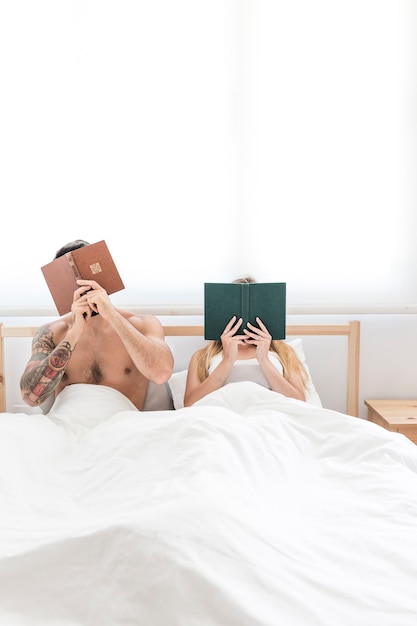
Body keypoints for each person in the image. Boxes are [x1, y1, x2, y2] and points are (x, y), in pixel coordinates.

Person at [20, 239, 174, 412]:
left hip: (123, 427)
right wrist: (74, 333)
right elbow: (30, 397)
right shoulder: (52, 332)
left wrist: (112, 315)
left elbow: (161, 374)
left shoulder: (142, 324)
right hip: (67, 425)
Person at [184, 277, 308, 407]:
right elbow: (190, 404)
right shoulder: (201, 357)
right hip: (222, 416)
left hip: (269, 413)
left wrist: (264, 360)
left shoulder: (285, 352)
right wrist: (227, 360)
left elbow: (299, 403)